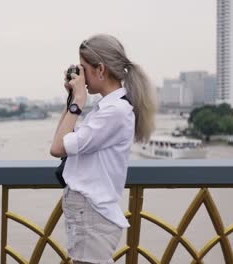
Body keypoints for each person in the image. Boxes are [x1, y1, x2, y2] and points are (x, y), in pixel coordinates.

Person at [50, 34, 156, 264]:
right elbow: (60, 140)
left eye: (83, 68)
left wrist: (79, 101)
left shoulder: (114, 112)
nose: (81, 75)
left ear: (100, 69)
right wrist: (72, 100)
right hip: (89, 213)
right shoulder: (105, 108)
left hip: (92, 214)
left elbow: (57, 148)